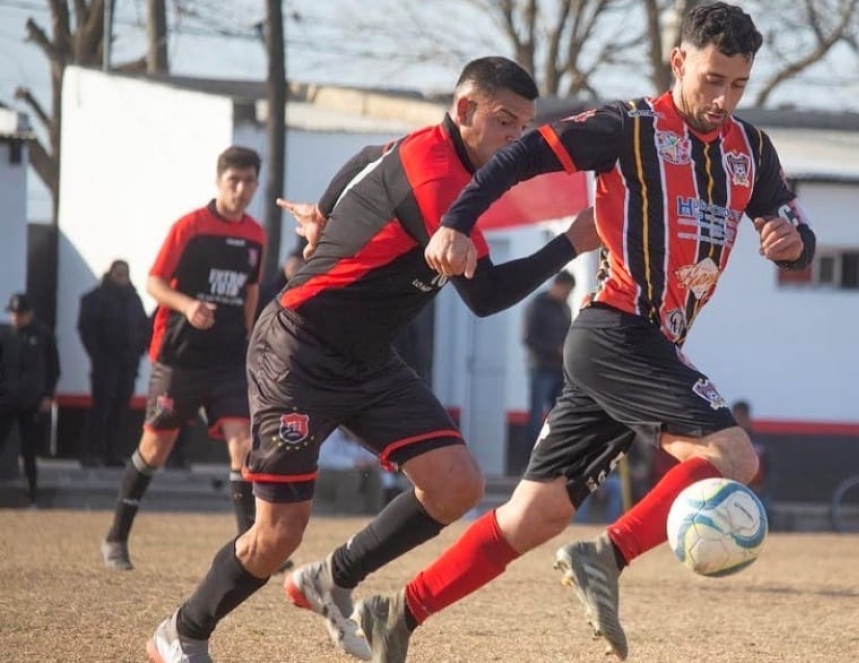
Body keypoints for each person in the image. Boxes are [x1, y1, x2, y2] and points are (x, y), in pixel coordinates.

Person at [355, 4, 817, 661]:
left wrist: (792, 242)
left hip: (643, 346)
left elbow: (798, 234)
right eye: (712, 79)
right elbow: (519, 156)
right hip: (614, 330)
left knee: (532, 515)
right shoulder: (626, 126)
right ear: (678, 62)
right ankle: (606, 553)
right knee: (735, 458)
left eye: (738, 84)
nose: (723, 98)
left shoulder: (752, 151)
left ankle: (397, 610)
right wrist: (457, 220)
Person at [143, 56, 599, 662]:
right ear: (464, 111)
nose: (517, 139)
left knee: (457, 484)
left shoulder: (440, 156)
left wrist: (323, 211)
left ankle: (331, 578)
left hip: (366, 359)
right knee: (277, 535)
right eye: (505, 122)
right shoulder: (438, 180)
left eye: (525, 126)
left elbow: (364, 157)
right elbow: (486, 296)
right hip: (297, 351)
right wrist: (572, 240)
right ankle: (183, 631)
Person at [100, 146, 267, 572]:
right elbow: (154, 282)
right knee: (155, 447)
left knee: (244, 445)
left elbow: (249, 290)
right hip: (180, 357)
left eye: (249, 181)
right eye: (234, 181)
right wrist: (188, 305)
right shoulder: (190, 227)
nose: (241, 189)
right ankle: (116, 537)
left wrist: (250, 340)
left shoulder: (256, 234)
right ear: (218, 181)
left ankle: (251, 548)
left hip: (228, 358)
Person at [77, 260, 150, 468]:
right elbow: (87, 329)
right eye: (118, 273)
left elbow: (144, 327)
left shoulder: (134, 299)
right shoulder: (97, 298)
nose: (122, 277)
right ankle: (90, 452)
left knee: (120, 409)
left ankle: (111, 453)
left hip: (128, 364)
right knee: (101, 408)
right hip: (105, 364)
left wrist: (138, 352)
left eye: (125, 273)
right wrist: (98, 356)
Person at [0, 294, 60, 507]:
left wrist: (47, 395)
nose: (17, 318)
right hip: (5, 399)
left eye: (21, 314)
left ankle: (32, 492)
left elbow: (54, 368)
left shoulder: (43, 335)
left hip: (31, 401)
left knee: (29, 450)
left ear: (30, 314)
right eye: (14, 314)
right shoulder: (4, 334)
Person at [522, 269, 575, 447]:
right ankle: (528, 461)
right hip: (540, 368)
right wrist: (554, 350)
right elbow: (528, 338)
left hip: (559, 370)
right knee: (536, 418)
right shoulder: (537, 305)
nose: (567, 296)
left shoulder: (565, 308)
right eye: (566, 291)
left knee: (558, 418)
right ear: (558, 285)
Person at [314, 427, 382, 516]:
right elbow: (324, 459)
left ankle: (373, 516)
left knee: (373, 473)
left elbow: (371, 457)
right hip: (324, 476)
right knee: (351, 475)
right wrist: (354, 463)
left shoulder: (362, 435)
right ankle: (344, 515)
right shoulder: (331, 434)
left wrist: (373, 462)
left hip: (353, 473)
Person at [257, 251, 304, 319]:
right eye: (293, 267)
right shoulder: (268, 291)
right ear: (285, 265)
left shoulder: (309, 293)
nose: (296, 271)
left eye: (299, 267)